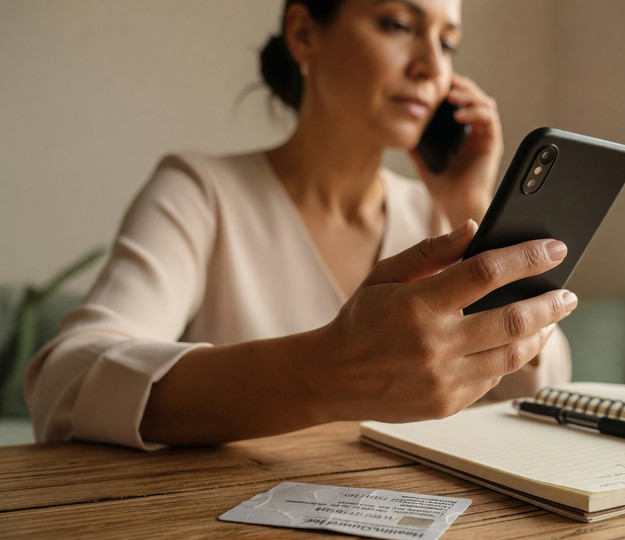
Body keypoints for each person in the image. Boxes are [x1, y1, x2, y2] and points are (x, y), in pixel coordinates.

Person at [25, 0, 575, 450]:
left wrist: (474, 212)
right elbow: (66, 380)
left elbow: (542, 391)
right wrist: (325, 374)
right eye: (399, 25)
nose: (433, 67)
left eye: (448, 42)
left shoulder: (437, 219)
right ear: (304, 33)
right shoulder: (202, 192)